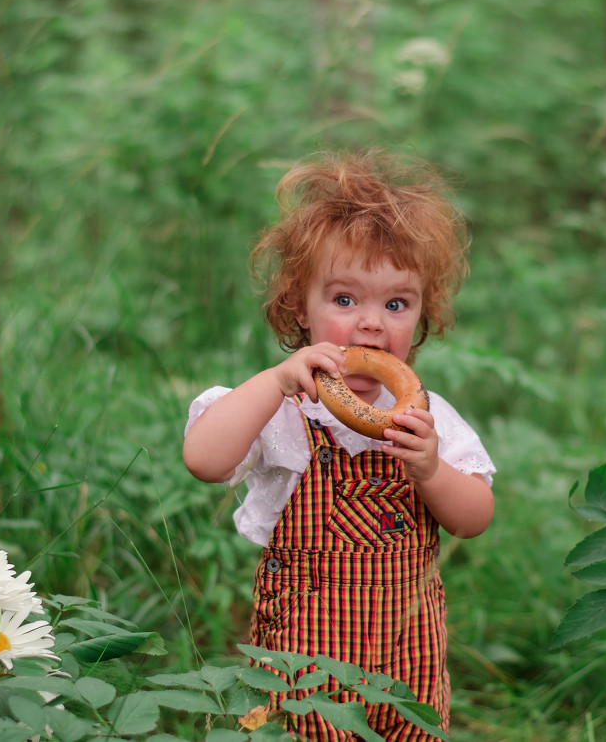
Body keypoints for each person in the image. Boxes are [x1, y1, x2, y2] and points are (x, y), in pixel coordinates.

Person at [183, 149, 495, 741]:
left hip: (408, 664)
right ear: (300, 306)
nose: (371, 323)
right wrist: (274, 382)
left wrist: (430, 469)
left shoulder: (425, 416)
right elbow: (203, 460)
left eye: (396, 304)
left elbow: (474, 518)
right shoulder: (280, 408)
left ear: (421, 316)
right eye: (345, 299)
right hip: (302, 666)